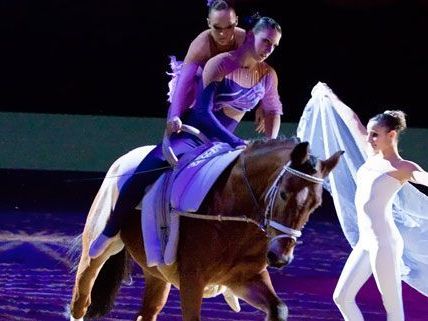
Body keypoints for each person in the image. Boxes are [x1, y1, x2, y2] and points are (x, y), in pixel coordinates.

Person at [89, 15, 283, 259]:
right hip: (195, 132)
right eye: (266, 41)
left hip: (224, 143)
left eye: (274, 45)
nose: (269, 49)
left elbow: (273, 110)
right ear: (251, 36)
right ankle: (110, 228)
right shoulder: (222, 63)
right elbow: (202, 113)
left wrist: (270, 145)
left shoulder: (268, 75)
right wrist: (236, 143)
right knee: (150, 168)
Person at [297, 82, 428, 321]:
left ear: (392, 135)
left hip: (385, 244)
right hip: (366, 242)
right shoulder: (370, 153)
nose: (369, 139)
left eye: (375, 134)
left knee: (394, 312)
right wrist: (329, 94)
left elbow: (423, 178)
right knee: (342, 297)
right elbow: (351, 119)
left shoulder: (402, 167)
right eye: (369, 133)